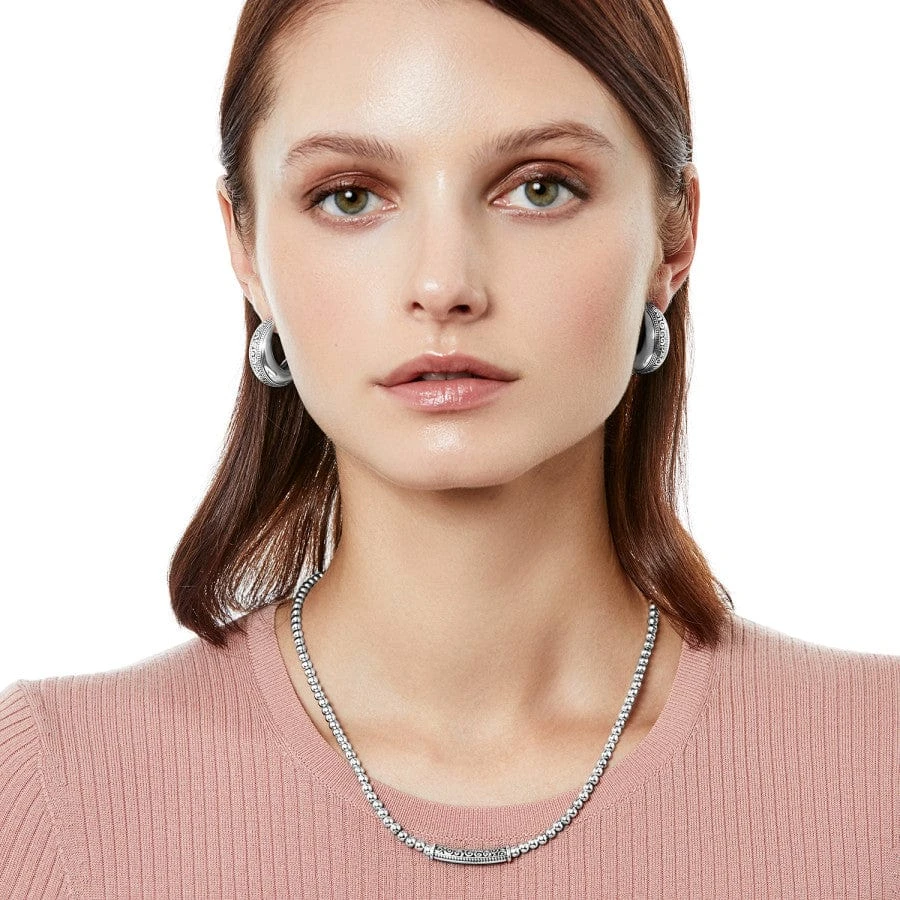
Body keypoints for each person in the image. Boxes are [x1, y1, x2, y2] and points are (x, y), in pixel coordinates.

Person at [1, 0, 896, 895]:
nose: (443, 284)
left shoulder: (876, 763)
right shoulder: (52, 788)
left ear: (674, 236)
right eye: (350, 196)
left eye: (539, 188)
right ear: (245, 245)